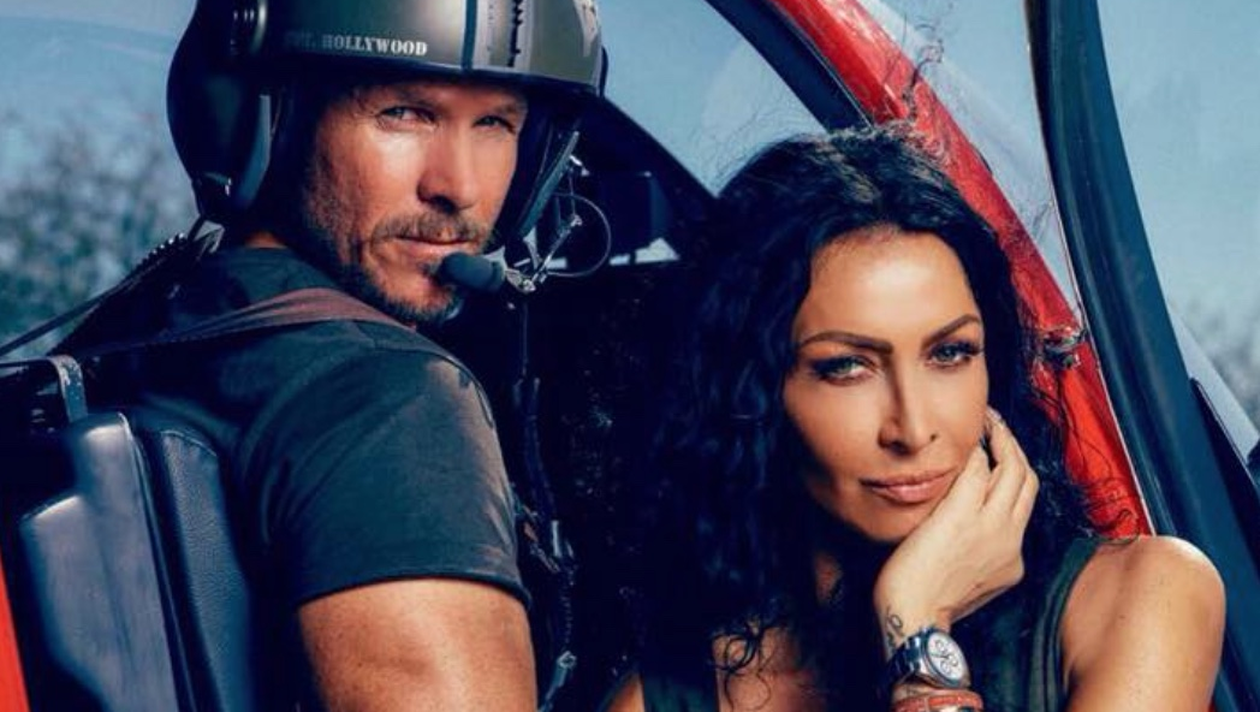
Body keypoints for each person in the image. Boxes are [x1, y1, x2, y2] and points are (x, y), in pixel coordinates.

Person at [74, 0, 602, 710]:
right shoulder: (387, 399)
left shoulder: (152, 330)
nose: (458, 187)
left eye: (496, 124)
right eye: (404, 113)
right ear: (273, 119)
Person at [604, 125, 1224, 712]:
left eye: (950, 353)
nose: (912, 428)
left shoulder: (1143, 597)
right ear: (753, 393)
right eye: (847, 366)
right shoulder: (663, 699)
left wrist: (916, 629)